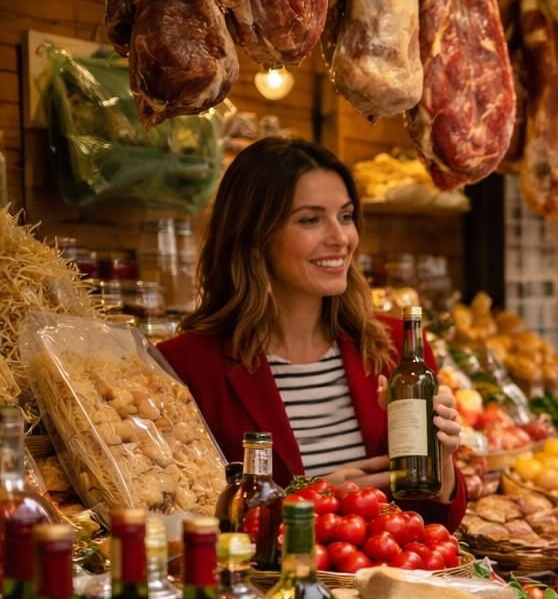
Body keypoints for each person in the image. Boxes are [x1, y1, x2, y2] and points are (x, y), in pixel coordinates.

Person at [159, 136, 467, 530]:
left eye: (345, 215)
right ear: (254, 236)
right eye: (310, 219)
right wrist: (305, 506)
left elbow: (436, 526)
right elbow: (177, 524)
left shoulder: (394, 348)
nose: (340, 238)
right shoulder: (187, 367)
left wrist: (441, 468)